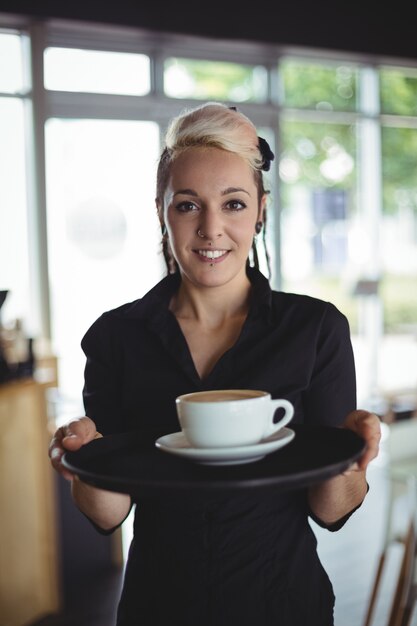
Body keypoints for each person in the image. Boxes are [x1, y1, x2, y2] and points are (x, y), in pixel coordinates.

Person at [49, 101, 381, 626]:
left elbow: (331, 509)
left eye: (233, 204)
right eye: (187, 205)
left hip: (283, 602)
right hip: (158, 606)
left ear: (261, 210)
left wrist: (353, 456)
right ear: (161, 209)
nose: (210, 228)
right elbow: (109, 513)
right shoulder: (115, 337)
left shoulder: (316, 330)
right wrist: (83, 462)